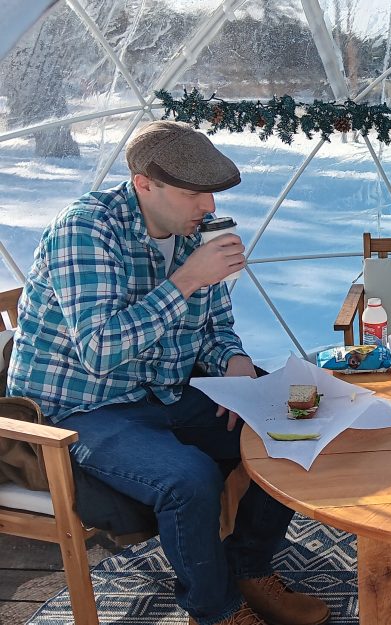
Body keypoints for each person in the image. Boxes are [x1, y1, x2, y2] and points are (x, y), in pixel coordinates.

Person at [6, 121, 329, 625]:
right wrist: (185, 280)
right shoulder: (86, 230)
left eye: (212, 194)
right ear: (144, 184)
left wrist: (234, 364)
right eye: (194, 194)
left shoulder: (192, 233)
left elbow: (215, 326)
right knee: (189, 479)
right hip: (85, 407)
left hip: (163, 392)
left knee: (291, 422)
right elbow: (100, 348)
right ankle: (216, 608)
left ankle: (247, 565)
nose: (210, 208)